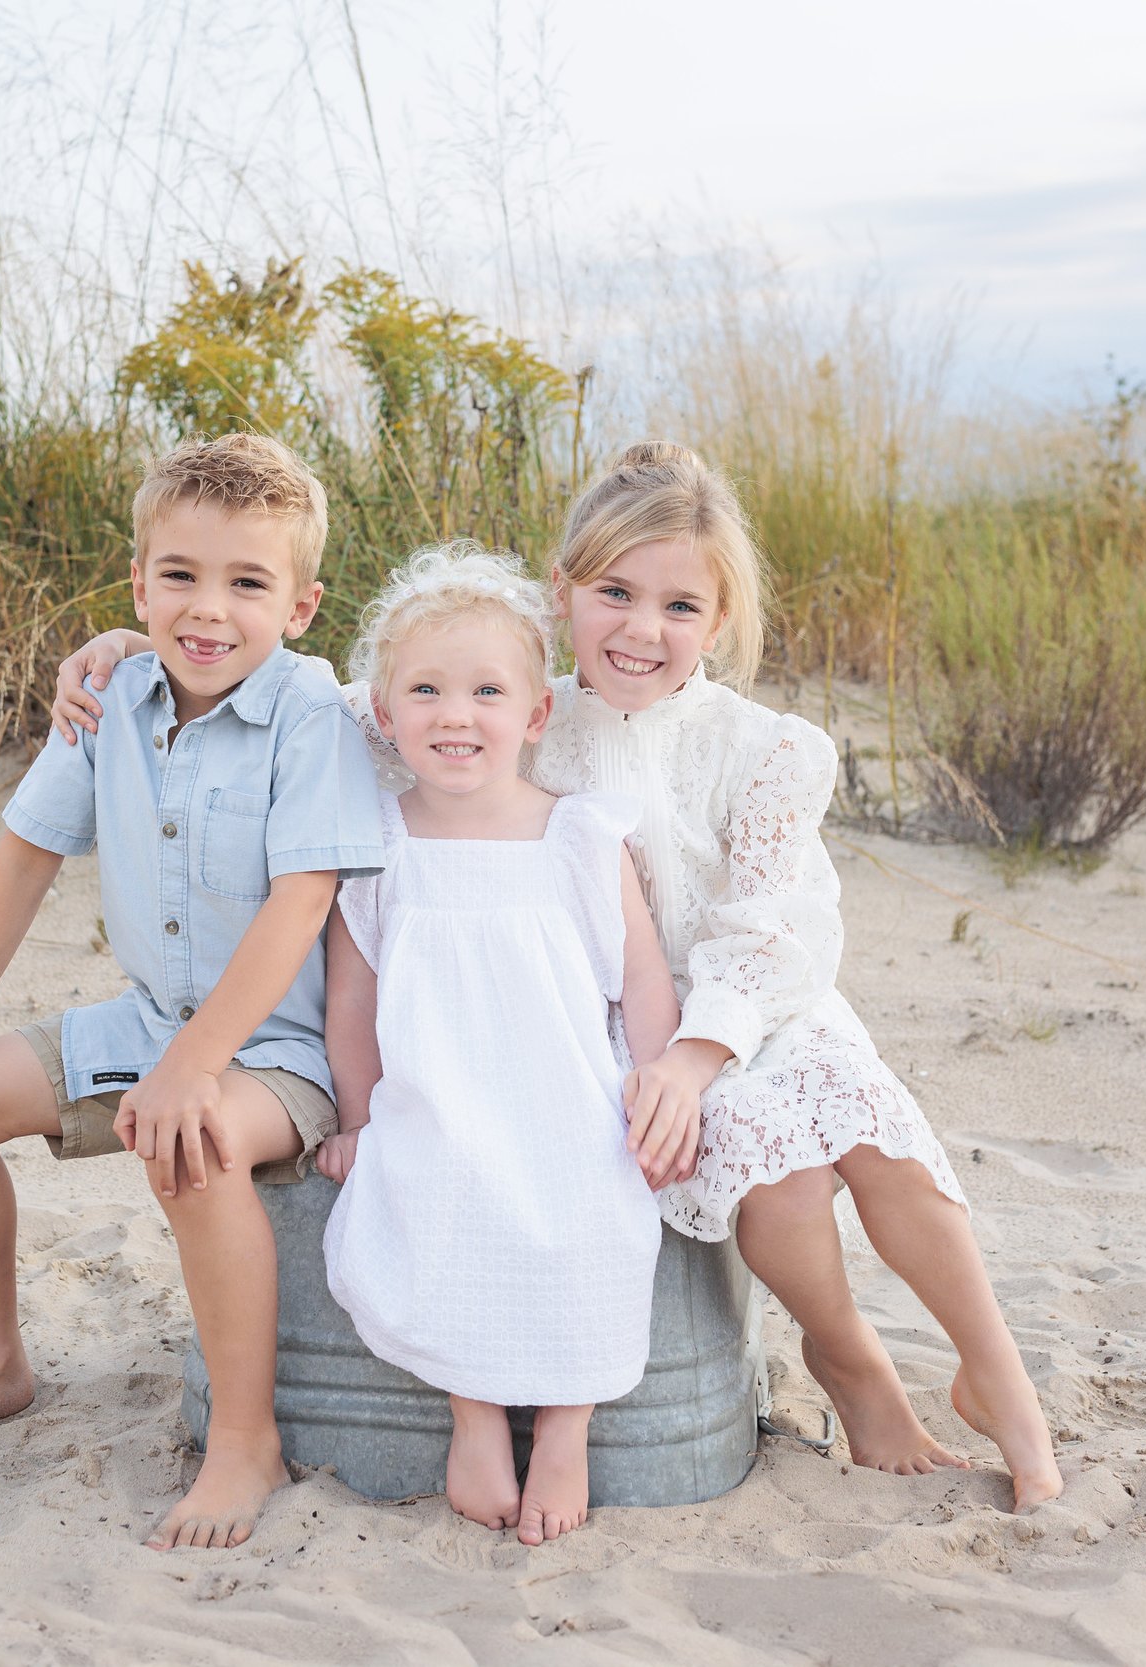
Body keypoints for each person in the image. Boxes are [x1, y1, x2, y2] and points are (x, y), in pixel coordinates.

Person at [55, 442, 1065, 1511]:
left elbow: (776, 929)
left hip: (744, 1006)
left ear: (715, 623)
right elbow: (301, 673)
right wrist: (133, 646)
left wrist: (688, 1053)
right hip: (581, 1021)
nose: (641, 628)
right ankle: (846, 1353)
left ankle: (990, 1365)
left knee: (861, 1122)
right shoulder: (515, 696)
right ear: (564, 594)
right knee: (779, 1183)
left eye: (679, 605)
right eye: (614, 593)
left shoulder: (763, 746)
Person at [0, 432, 384, 1550]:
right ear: (139, 585)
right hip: (150, 1022)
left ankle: (243, 1438)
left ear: (300, 606)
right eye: (181, 577)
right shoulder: (112, 694)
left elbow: (300, 904)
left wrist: (193, 1068)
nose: (209, 610)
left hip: (277, 1051)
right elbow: (20, 859)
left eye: (247, 583)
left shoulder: (313, 716)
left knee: (190, 1144)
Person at [314, 544, 681, 1545]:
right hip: (439, 1095)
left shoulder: (578, 836)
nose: (454, 713)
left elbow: (640, 975)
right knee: (430, 1192)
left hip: (568, 1093)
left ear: (534, 714)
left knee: (600, 1209)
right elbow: (352, 1004)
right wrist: (357, 1118)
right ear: (385, 715)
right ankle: (472, 1414)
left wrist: (658, 1085)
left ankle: (567, 1423)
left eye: (485, 690)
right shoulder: (378, 849)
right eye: (424, 690)